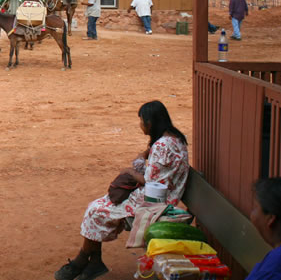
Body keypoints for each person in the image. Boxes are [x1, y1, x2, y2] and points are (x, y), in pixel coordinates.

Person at [54, 100, 189, 280]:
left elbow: (152, 183)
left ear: (150, 123)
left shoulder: (162, 146)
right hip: (161, 196)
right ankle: (92, 262)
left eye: (142, 121)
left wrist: (131, 173)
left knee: (95, 210)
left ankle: (83, 261)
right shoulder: (174, 138)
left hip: (156, 202)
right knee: (98, 207)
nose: (140, 125)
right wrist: (144, 154)